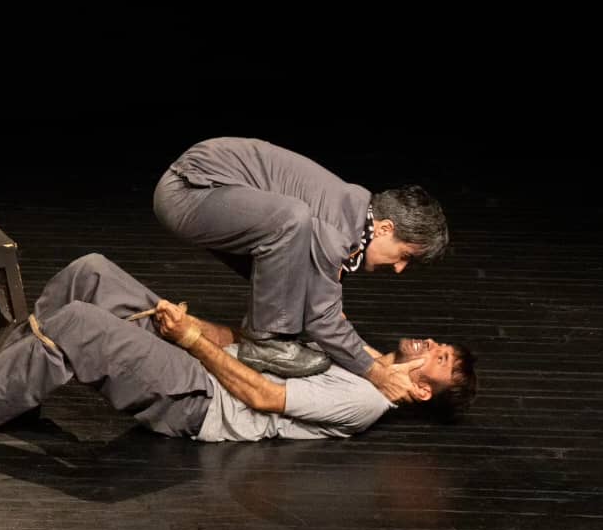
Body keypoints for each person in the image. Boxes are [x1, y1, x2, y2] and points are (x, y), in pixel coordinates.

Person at [0, 254, 476, 442]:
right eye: (443, 345)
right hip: (203, 363)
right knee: (91, 274)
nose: (433, 344)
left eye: (441, 358)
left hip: (202, 399)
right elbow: (258, 347)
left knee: (80, 325)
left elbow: (264, 396)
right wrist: (195, 326)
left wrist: (191, 341)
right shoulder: (361, 359)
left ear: (423, 390)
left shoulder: (366, 400)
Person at [152, 137, 450, 402]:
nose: (399, 268)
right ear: (385, 228)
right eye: (405, 256)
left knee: (304, 280)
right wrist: (376, 373)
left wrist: (325, 315)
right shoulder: (337, 230)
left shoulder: (356, 210)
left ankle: (267, 337)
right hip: (187, 193)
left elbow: (316, 304)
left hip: (204, 189)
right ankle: (265, 342)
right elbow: (323, 321)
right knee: (292, 220)